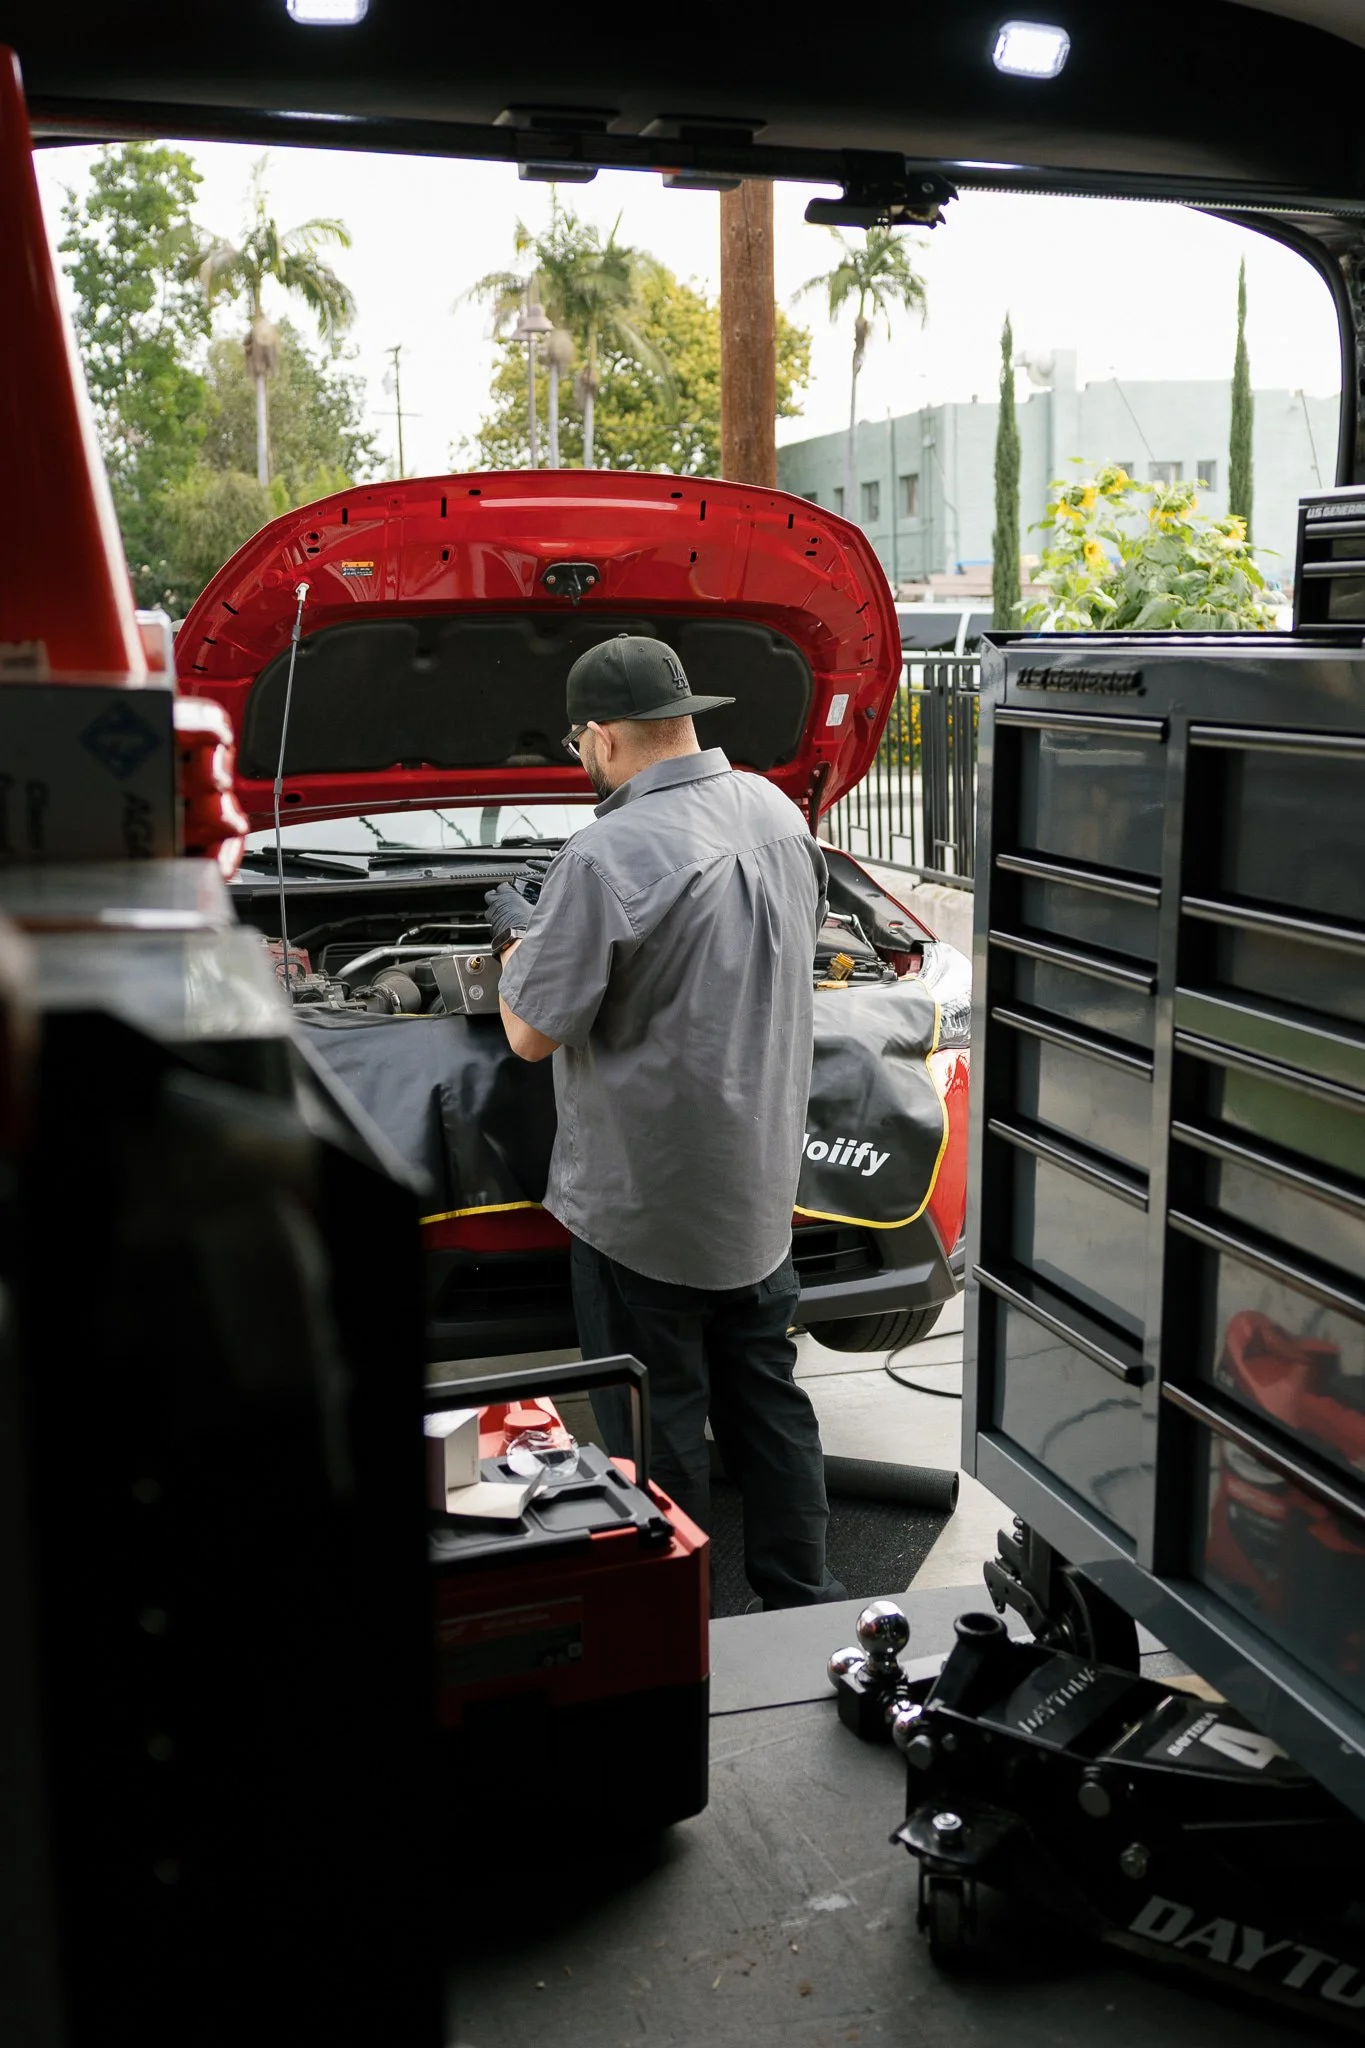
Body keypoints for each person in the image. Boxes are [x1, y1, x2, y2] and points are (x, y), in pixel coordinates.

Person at [484, 633, 846, 1611]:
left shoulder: (604, 854)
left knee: (661, 1421)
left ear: (602, 736)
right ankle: (803, 1597)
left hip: (642, 1209)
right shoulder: (776, 810)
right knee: (768, 1396)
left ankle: (680, 1621)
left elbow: (528, 1034)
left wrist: (516, 934)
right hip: (758, 1190)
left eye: (578, 743)